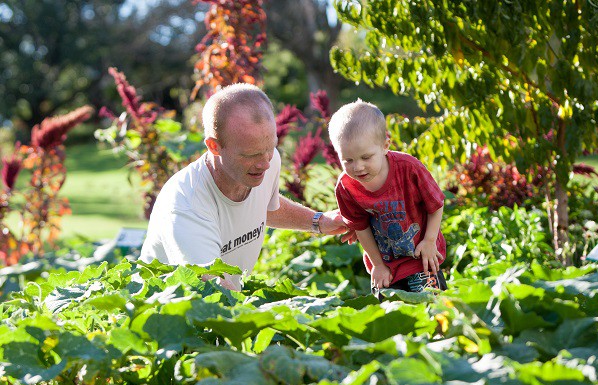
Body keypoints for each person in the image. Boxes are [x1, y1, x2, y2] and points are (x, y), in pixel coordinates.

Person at [140, 83, 351, 290]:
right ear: (214, 146)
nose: (265, 163)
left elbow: (265, 207)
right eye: (251, 155)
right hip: (171, 313)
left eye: (270, 148)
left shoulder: (265, 163)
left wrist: (320, 222)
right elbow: (215, 289)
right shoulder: (186, 206)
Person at [329, 99, 447, 295]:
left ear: (385, 145)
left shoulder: (409, 168)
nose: (358, 167)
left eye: (366, 157)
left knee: (432, 309)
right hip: (386, 266)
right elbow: (361, 228)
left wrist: (429, 241)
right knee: (392, 317)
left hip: (420, 258)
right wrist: (377, 264)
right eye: (347, 160)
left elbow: (435, 204)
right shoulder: (346, 187)